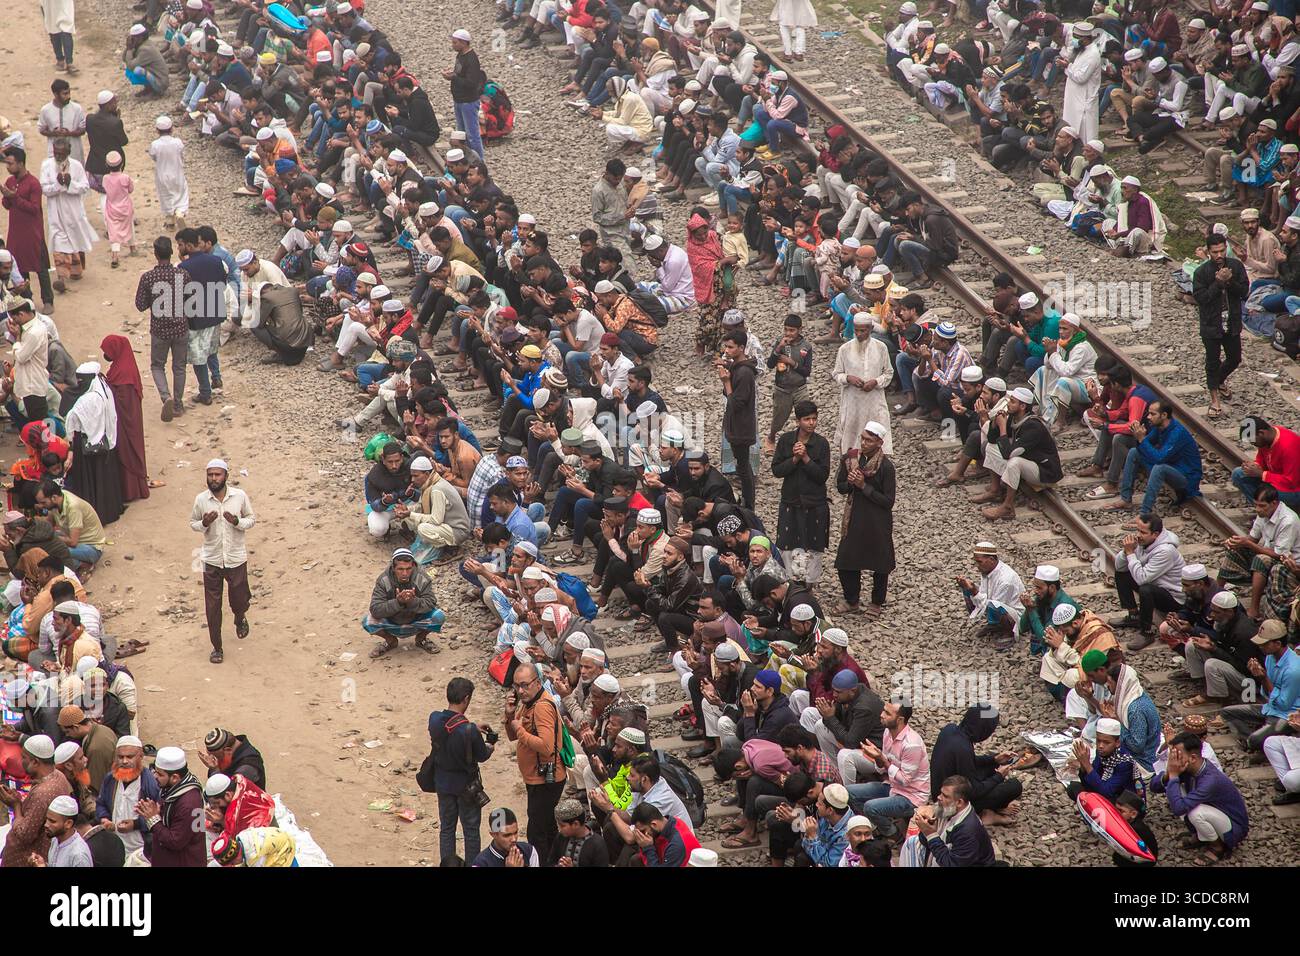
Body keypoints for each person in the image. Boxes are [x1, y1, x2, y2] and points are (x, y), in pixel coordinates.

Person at [190, 458, 254, 664]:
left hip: (236, 557)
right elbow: (193, 523)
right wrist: (204, 523)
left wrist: (237, 522)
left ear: (226, 476)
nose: (214, 478)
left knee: (240, 597)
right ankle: (217, 647)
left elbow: (251, 519)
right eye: (210, 475)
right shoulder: (201, 500)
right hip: (211, 559)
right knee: (212, 606)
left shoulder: (239, 496)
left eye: (218, 475)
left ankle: (239, 616)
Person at [1151, 731, 1249, 864]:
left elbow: (1179, 809)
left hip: (1234, 827)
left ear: (1192, 758)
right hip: (1216, 813)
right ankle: (1201, 836)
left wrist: (1173, 775)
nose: (1174, 759)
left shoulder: (1210, 780)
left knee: (1195, 812)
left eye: (1178, 755)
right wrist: (1168, 774)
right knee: (1190, 804)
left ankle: (1217, 847)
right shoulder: (1189, 767)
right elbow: (1154, 787)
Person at [428, 677, 495, 864]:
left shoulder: (434, 719)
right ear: (466, 699)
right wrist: (490, 745)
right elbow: (482, 755)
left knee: (447, 828)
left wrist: (471, 726)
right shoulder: (469, 730)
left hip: (442, 783)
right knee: (471, 831)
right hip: (467, 787)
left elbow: (450, 731)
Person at [505, 660, 567, 862]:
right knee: (547, 827)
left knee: (536, 832)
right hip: (535, 777)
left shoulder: (541, 708)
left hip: (546, 779)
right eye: (516, 686)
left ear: (538, 683)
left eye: (525, 685)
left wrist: (519, 729)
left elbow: (547, 747)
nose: (520, 691)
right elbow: (512, 736)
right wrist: (509, 715)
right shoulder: (527, 704)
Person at [834, 421, 895, 618]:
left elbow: (887, 501)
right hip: (854, 519)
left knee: (880, 563)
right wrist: (851, 483)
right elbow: (841, 487)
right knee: (846, 560)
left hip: (877, 522)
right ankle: (852, 599)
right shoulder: (850, 460)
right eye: (863, 439)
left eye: (869, 440)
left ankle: (877, 602)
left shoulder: (886, 467)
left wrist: (863, 486)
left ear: (879, 443)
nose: (864, 443)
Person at [928, 704, 1022, 826]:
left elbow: (968, 762)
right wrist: (999, 776)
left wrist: (994, 760)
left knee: (991, 769)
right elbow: (974, 791)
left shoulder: (950, 730)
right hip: (949, 806)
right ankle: (986, 815)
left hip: (941, 791)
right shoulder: (963, 748)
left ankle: (993, 808)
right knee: (1014, 786)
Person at [1105, 400, 1203, 516]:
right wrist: (1139, 437)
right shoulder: (1159, 427)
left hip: (1187, 478)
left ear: (1164, 415)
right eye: (1149, 413)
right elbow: (1144, 447)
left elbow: (1159, 459)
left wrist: (1142, 439)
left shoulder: (1177, 433)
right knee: (1134, 452)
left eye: (1153, 414)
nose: (1148, 417)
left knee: (1159, 468)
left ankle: (1144, 514)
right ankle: (1126, 499)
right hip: (1173, 468)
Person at [850, 699, 931, 836]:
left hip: (911, 797)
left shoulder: (911, 744)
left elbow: (905, 780)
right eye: (883, 710)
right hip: (893, 786)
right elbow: (882, 769)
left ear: (899, 720)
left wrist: (883, 760)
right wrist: (877, 758)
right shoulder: (888, 733)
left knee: (870, 807)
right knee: (849, 792)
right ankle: (876, 827)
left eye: (887, 713)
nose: (881, 715)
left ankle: (893, 834)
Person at [771, 400, 830, 589]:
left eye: (814, 419)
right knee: (789, 546)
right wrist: (795, 459)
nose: (811, 423)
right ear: (798, 421)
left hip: (814, 503)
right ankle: (794, 583)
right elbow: (777, 470)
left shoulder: (821, 444)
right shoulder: (787, 441)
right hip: (791, 500)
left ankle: (809, 585)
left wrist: (805, 458)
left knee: (813, 546)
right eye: (807, 419)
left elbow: (822, 475)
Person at [1191, 230, 1247, 417]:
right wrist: (1217, 283)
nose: (1219, 255)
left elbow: (1244, 292)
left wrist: (1229, 281)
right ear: (1208, 252)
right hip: (1211, 325)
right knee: (1212, 361)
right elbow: (1202, 298)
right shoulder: (1201, 272)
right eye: (1215, 252)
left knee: (1235, 358)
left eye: (1222, 251)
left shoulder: (1236, 267)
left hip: (1231, 323)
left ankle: (1218, 380)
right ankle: (1214, 398)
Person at [1221, 620, 1300, 751]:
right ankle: (1254, 739)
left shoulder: (1293, 670)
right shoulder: (1270, 657)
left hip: (1287, 715)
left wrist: (1263, 679)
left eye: (1264, 644)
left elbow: (1283, 705)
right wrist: (1259, 676)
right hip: (1270, 707)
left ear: (1277, 644)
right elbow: (1265, 694)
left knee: (1255, 740)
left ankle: (1261, 740)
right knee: (1226, 713)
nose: (1260, 647)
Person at [63, 362, 125, 524]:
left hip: (87, 446)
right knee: (103, 480)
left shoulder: (88, 399)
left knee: (91, 482)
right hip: (105, 442)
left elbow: (72, 420)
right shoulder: (103, 390)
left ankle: (95, 516)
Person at [135, 235, 188, 421]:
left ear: (156, 254)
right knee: (179, 366)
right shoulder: (182, 275)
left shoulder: (148, 278)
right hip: (181, 327)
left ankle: (166, 397)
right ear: (172, 252)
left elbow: (140, 305)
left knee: (158, 365)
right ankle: (179, 405)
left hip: (160, 330)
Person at [1110, 512, 1185, 641]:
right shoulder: (1145, 541)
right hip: (1157, 586)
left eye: (1143, 532)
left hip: (1174, 598)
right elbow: (1119, 567)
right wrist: (1126, 551)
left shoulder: (1165, 551)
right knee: (1123, 573)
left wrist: (1130, 553)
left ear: (1155, 534)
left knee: (1146, 589)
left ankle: (1146, 632)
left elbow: (1142, 579)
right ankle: (1134, 616)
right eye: (1138, 530)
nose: (1138, 535)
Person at [0, 735, 72, 867]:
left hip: (26, 859)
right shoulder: (58, 775)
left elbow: (24, 834)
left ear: (35, 762)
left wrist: (15, 805)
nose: (21, 761)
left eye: (24, 758)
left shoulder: (42, 793)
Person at [365, 547, 445, 659]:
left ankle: (421, 639)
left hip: (416, 621)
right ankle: (390, 641)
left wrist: (413, 601)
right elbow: (375, 609)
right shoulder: (384, 580)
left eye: (408, 569)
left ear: (413, 566)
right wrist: (398, 602)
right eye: (400, 569)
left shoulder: (422, 578)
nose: (405, 573)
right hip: (392, 622)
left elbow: (431, 602)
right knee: (368, 621)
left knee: (439, 616)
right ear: (393, 568)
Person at [3, 147, 56, 311]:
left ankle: (48, 300)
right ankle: (27, 299)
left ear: (20, 163)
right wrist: (6, 196)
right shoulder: (10, 182)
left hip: (33, 233)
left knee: (41, 269)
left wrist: (14, 197)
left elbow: (34, 208)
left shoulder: (33, 183)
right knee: (20, 268)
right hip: (16, 233)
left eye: (10, 163)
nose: (8, 167)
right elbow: (6, 205)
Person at [832, 314, 893, 456]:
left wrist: (875, 382)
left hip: (874, 400)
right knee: (851, 434)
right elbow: (836, 374)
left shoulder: (881, 347)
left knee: (875, 432)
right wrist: (848, 378)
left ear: (871, 329)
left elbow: (889, 373)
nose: (859, 334)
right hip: (853, 401)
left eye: (863, 331)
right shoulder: (845, 349)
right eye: (856, 330)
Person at [40, 138, 97, 290]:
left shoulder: (77, 166)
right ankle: (61, 279)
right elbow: (44, 189)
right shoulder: (46, 165)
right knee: (59, 242)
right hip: (56, 213)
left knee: (74, 241)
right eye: (56, 153)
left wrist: (70, 184)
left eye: (61, 153)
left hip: (73, 212)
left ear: (68, 152)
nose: (58, 156)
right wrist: (58, 184)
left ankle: (76, 271)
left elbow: (85, 187)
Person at [100, 334, 148, 503]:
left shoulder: (124, 374)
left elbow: (123, 401)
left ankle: (131, 491)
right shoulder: (120, 367)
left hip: (125, 422)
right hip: (121, 419)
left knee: (127, 452)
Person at [94, 735, 159, 860]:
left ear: (140, 757)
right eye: (120, 757)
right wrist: (105, 819)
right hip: (114, 845)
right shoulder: (110, 779)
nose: (124, 761)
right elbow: (101, 803)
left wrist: (135, 824)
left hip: (140, 847)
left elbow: (157, 815)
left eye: (129, 757)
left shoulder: (149, 782)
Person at [909, 775, 996, 867]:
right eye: (941, 793)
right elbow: (927, 843)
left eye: (945, 796)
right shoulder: (948, 810)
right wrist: (927, 827)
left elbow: (950, 864)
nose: (939, 797)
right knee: (911, 843)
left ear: (959, 802)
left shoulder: (968, 830)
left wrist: (931, 834)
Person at [957, 540, 1024, 647]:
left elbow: (995, 605)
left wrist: (975, 591)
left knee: (994, 605)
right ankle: (995, 624)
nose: (977, 566)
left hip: (1016, 617)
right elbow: (984, 596)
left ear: (991, 560)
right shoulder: (987, 571)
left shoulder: (1006, 579)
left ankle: (1009, 632)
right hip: (996, 606)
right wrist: (969, 589)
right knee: (967, 590)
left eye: (979, 562)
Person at [719, 330, 758, 509]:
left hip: (741, 426)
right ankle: (747, 501)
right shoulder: (737, 367)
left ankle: (749, 504)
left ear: (741, 348)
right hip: (736, 424)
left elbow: (736, 403)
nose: (726, 350)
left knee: (743, 467)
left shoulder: (744, 373)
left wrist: (727, 381)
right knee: (742, 464)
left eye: (730, 347)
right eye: (726, 346)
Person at [1232, 418, 1300, 512]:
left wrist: (1261, 474)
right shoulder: (1267, 439)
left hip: (1295, 489)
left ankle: (1275, 515)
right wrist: (1254, 466)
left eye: (1253, 442)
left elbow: (1291, 482)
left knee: (1265, 494)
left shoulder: (1288, 446)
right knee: (1238, 474)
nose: (1254, 444)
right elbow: (1262, 459)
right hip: (1276, 481)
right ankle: (1265, 511)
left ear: (1261, 433)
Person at [446, 29, 486, 160]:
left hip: (468, 101)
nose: (453, 45)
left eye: (455, 42)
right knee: (462, 134)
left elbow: (471, 83)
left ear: (464, 42)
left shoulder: (471, 59)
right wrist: (452, 75)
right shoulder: (460, 55)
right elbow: (459, 74)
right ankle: (465, 158)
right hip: (459, 99)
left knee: (472, 135)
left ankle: (479, 161)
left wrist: (453, 78)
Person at [146, 116, 188, 229]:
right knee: (181, 194)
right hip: (177, 173)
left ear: (157, 130)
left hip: (162, 175)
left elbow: (153, 156)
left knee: (166, 196)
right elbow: (182, 154)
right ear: (171, 129)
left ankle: (170, 221)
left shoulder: (155, 144)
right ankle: (180, 212)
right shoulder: (177, 142)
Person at [472, 807, 540, 867]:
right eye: (507, 835)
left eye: (515, 833)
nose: (513, 839)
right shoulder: (481, 863)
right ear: (493, 835)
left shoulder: (529, 851)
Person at [101, 152, 134, 268]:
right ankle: (132, 247)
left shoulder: (105, 178)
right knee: (129, 226)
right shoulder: (125, 178)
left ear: (107, 165)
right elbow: (131, 189)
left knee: (113, 232)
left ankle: (115, 255)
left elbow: (105, 190)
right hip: (125, 207)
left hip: (112, 208)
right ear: (122, 164)